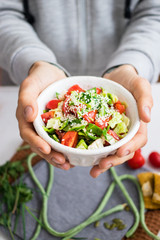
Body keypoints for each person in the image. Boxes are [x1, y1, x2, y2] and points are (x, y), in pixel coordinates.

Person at [0, 0, 159, 178]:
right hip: (23, 85)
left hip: (123, 60)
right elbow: (3, 11)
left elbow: (155, 11)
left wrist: (133, 63)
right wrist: (31, 59)